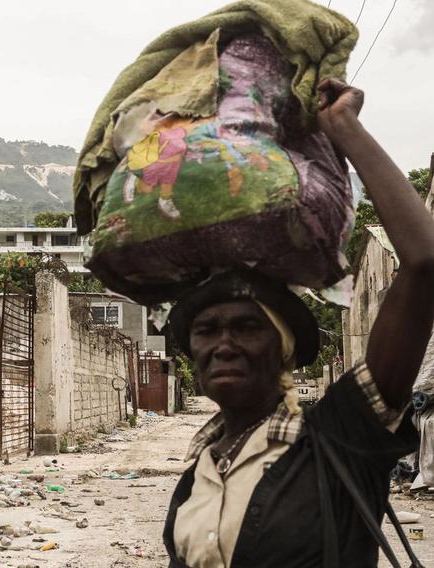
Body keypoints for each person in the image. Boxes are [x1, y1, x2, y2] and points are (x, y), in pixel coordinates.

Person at [162, 78, 434, 567]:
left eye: (246, 327)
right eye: (206, 330)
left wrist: (344, 127)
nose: (223, 343)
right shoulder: (195, 475)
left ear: (284, 347)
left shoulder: (341, 434)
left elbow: (424, 263)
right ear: (192, 356)